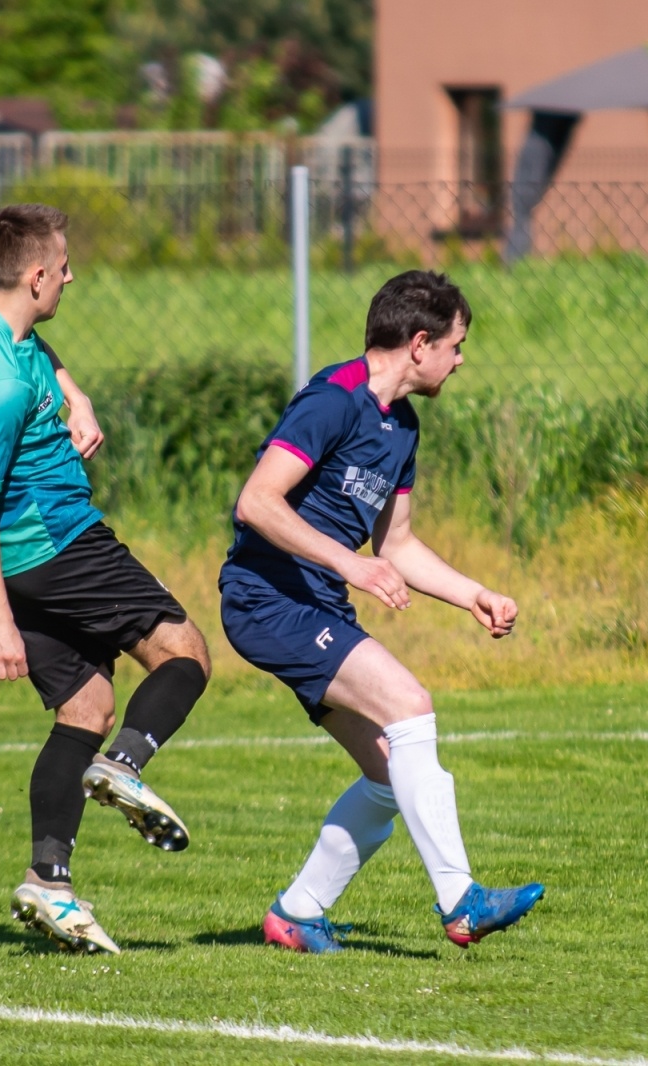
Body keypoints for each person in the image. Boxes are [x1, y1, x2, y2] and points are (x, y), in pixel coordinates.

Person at [219, 269, 544, 953]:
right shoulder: (333, 401)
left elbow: (395, 543)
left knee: (388, 774)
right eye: (457, 346)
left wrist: (472, 595)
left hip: (314, 604)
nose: (460, 361)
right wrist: (349, 564)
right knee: (409, 702)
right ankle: (462, 900)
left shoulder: (402, 425)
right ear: (420, 343)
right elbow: (257, 502)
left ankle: (296, 914)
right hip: (267, 598)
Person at [0, 203, 211, 955]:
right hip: (55, 542)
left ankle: (48, 882)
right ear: (37, 275)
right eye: (64, 267)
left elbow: (30, 346)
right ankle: (125, 766)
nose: (72, 276)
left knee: (85, 704)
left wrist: (73, 393)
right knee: (184, 652)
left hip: (26, 561)